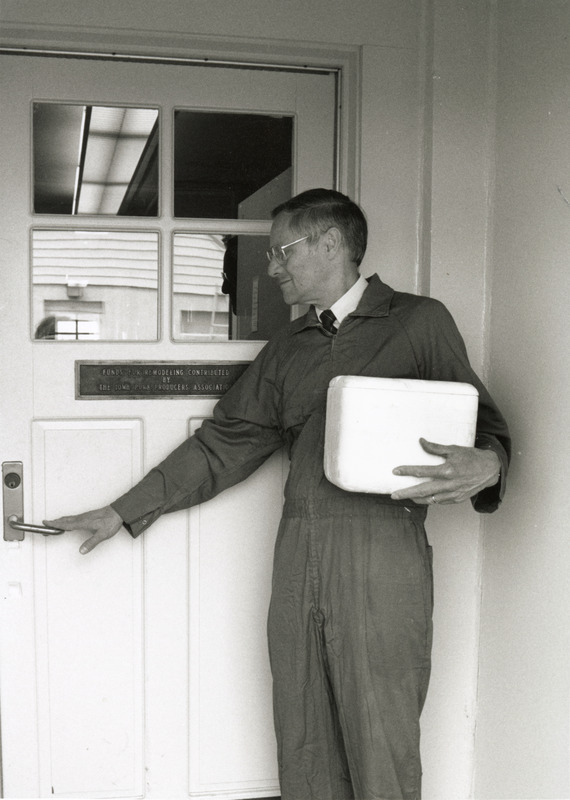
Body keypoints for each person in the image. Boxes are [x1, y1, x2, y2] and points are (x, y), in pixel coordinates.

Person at [47, 189, 510, 800]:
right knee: (303, 733)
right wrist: (121, 511)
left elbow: (485, 427)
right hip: (298, 548)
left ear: (331, 244)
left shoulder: (418, 322)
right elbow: (222, 446)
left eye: (281, 251)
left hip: (383, 553)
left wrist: (490, 463)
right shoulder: (288, 349)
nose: (271, 268)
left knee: (382, 733)